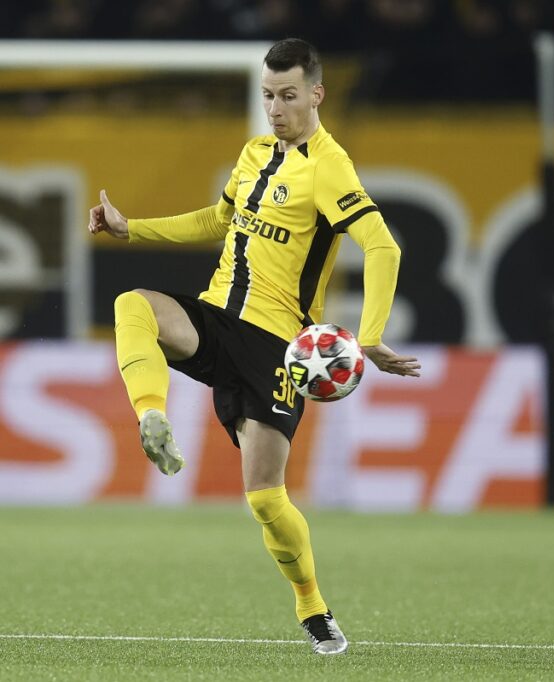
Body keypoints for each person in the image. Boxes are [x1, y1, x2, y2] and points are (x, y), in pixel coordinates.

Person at [87, 38, 420, 655]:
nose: (275, 108)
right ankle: (151, 416)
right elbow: (218, 221)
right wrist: (133, 228)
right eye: (267, 96)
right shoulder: (255, 153)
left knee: (266, 499)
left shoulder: (330, 165)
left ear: (316, 94)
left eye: (288, 96)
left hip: (276, 347)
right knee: (132, 304)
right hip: (216, 318)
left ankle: (312, 605)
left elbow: (383, 246)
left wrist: (369, 336)